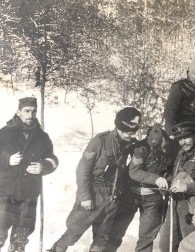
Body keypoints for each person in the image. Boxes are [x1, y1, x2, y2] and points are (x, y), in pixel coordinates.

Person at [49, 107, 141, 252]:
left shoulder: (129, 144)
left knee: (102, 237)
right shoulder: (100, 141)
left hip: (112, 196)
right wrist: (85, 197)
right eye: (130, 132)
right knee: (74, 231)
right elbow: (82, 170)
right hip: (93, 193)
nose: (132, 135)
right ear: (121, 127)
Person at [0, 97, 58, 252]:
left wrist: (43, 166)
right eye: (26, 111)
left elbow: (53, 159)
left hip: (29, 194)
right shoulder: (4, 134)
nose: (30, 115)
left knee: (20, 239)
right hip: (5, 193)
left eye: (34, 111)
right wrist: (6, 160)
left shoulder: (42, 137)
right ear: (18, 112)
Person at [106, 124, 173, 252]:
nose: (161, 147)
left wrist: (168, 181)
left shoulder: (171, 147)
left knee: (146, 237)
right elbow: (134, 172)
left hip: (153, 198)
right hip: (131, 195)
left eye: (163, 143)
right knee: (116, 231)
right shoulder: (140, 148)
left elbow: (171, 170)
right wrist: (156, 179)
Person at [159, 121, 195, 252]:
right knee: (166, 245)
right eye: (180, 139)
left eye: (186, 137)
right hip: (175, 205)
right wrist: (167, 183)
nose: (183, 142)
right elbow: (177, 176)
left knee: (192, 246)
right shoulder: (181, 154)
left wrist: (187, 187)